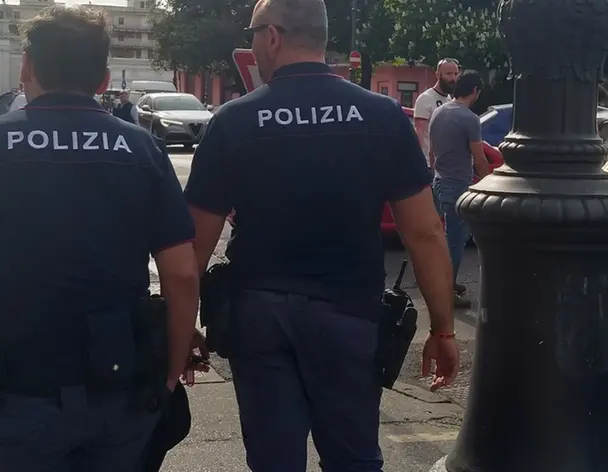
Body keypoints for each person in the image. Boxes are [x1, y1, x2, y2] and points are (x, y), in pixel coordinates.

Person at [0, 5, 200, 472]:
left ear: (27, 69)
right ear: (104, 78)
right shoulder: (141, 149)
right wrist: (169, 379)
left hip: (18, 392)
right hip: (119, 391)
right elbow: (182, 275)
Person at [183, 0, 460, 470]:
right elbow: (426, 232)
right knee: (353, 458)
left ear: (272, 36)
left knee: (273, 460)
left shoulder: (234, 122)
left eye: (251, 34)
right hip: (350, 312)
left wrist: (182, 325)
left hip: (259, 314)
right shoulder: (381, 116)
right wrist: (443, 328)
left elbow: (194, 244)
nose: (251, 45)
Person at [429, 70, 490, 309]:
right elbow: (479, 158)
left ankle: (446, 283)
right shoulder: (469, 118)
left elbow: (433, 152)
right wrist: (490, 183)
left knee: (443, 240)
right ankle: (446, 292)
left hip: (439, 181)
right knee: (455, 242)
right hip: (457, 185)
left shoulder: (438, 112)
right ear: (474, 91)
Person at [413, 58, 460, 168]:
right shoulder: (425, 99)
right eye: (448, 74)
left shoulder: (448, 98)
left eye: (455, 74)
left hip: (445, 164)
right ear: (438, 75)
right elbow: (420, 134)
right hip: (428, 164)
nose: (453, 78)